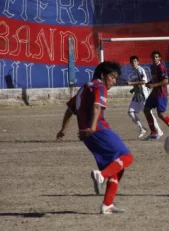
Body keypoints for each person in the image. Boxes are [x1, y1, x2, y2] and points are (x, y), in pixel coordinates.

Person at [56, 61, 133, 214]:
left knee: (117, 168)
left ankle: (107, 205)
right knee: (127, 157)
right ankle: (101, 175)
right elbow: (97, 106)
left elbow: (70, 110)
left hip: (87, 136)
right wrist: (92, 127)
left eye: (116, 78)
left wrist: (63, 129)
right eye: (112, 77)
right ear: (103, 75)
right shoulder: (100, 87)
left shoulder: (84, 88)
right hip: (97, 130)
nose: (114, 81)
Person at [144, 50, 169, 140]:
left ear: (160, 58)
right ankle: (153, 133)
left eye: (156, 57)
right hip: (154, 93)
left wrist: (153, 85)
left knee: (161, 114)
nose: (155, 58)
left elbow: (165, 81)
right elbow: (155, 79)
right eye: (153, 57)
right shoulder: (152, 67)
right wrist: (149, 83)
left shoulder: (161, 67)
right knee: (146, 109)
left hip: (161, 94)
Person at [127, 56, 163, 138]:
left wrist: (132, 83)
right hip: (137, 95)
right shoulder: (134, 71)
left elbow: (144, 81)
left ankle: (159, 131)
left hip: (143, 95)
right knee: (130, 112)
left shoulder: (140, 70)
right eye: (132, 61)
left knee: (149, 113)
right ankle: (142, 129)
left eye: (135, 61)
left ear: (138, 62)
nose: (133, 63)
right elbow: (138, 83)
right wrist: (133, 89)